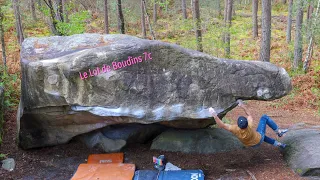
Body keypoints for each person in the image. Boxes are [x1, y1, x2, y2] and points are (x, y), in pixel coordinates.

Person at [208, 100, 288, 149]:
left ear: (238, 125)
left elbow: (222, 125)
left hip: (252, 144)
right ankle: (279, 132)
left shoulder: (235, 129)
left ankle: (279, 144)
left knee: (261, 136)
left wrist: (214, 115)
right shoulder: (249, 125)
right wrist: (242, 106)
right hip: (257, 138)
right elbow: (249, 115)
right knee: (264, 117)